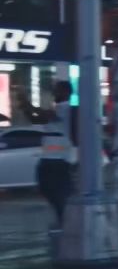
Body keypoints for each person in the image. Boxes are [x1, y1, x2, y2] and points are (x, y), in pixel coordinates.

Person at [35, 81, 74, 224]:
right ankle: (63, 216)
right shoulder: (58, 108)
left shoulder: (65, 108)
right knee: (49, 189)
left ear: (65, 92)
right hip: (51, 157)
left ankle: (64, 217)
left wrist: (28, 104)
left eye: (56, 90)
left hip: (57, 158)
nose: (54, 94)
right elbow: (40, 117)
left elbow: (47, 115)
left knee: (54, 189)